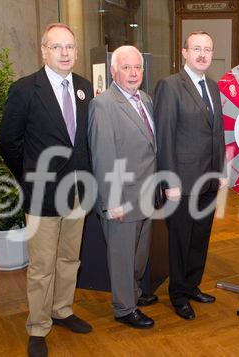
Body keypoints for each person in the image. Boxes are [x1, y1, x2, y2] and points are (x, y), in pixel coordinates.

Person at [0, 23, 93, 357]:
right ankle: (38, 326)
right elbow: (8, 142)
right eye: (57, 47)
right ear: (43, 50)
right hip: (42, 194)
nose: (65, 53)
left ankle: (62, 310)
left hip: (78, 191)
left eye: (69, 47)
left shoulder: (84, 88)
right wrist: (29, 178)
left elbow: (82, 140)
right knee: (41, 266)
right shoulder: (25, 89)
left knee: (70, 258)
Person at [153, 31, 227, 320]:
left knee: (200, 237)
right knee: (181, 240)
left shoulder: (213, 86)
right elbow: (165, 136)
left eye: (207, 50)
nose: (202, 54)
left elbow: (217, 132)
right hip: (182, 183)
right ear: (184, 52)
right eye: (196, 48)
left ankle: (193, 284)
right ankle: (178, 294)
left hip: (208, 180)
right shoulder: (170, 86)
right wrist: (168, 181)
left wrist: (220, 171)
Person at [88, 45, 157, 329]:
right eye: (126, 67)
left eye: (137, 67)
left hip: (146, 194)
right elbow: (103, 156)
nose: (132, 73)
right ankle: (124, 308)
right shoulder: (103, 104)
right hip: (122, 198)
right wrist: (111, 201)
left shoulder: (146, 99)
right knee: (121, 255)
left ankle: (135, 293)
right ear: (113, 71)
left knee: (138, 255)